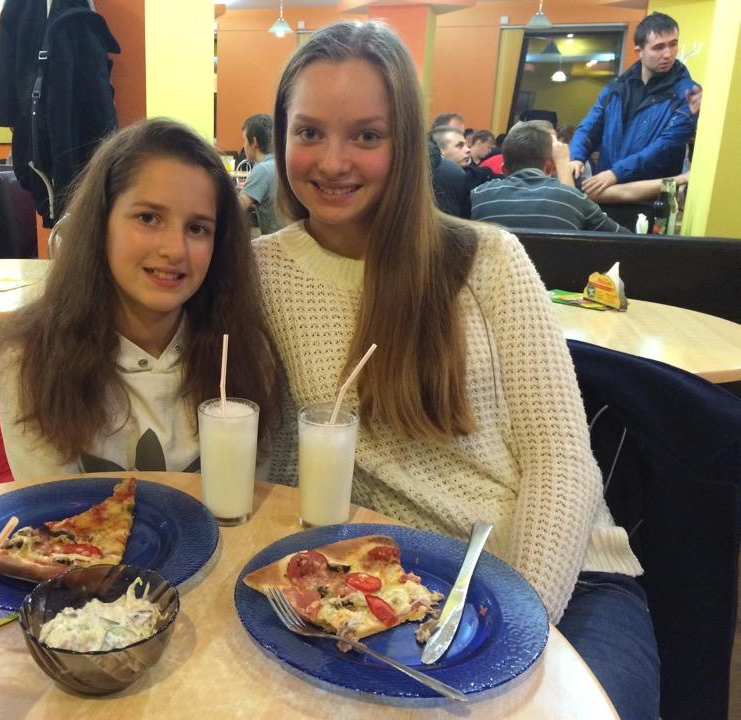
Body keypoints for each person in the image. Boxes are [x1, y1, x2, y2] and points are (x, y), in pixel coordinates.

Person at [255, 21, 658, 720]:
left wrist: (514, 622)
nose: (334, 161)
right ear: (279, 135)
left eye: (367, 136)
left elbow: (563, 459)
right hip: (386, 590)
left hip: (567, 575)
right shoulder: (260, 272)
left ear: (406, 145)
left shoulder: (487, 259)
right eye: (309, 132)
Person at [0, 119, 280, 482]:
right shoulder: (30, 363)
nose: (174, 250)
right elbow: (55, 512)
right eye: (148, 218)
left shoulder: (246, 356)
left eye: (198, 228)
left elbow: (252, 500)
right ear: (100, 225)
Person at [569, 12, 699, 196]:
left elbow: (667, 145)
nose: (668, 54)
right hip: (606, 195)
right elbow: (589, 128)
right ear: (640, 51)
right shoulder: (615, 88)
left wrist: (617, 173)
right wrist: (576, 156)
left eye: (673, 44)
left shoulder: (689, 93)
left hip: (652, 199)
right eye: (658, 47)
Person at [471, 121, 627, 232]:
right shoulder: (573, 199)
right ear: (550, 167)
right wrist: (563, 162)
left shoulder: (479, 195)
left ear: (503, 170)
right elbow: (623, 238)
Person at [238, 113, 282, 235]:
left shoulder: (262, 170)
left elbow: (238, 207)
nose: (244, 146)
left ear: (254, 142)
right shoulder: (281, 164)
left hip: (276, 241)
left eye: (244, 140)